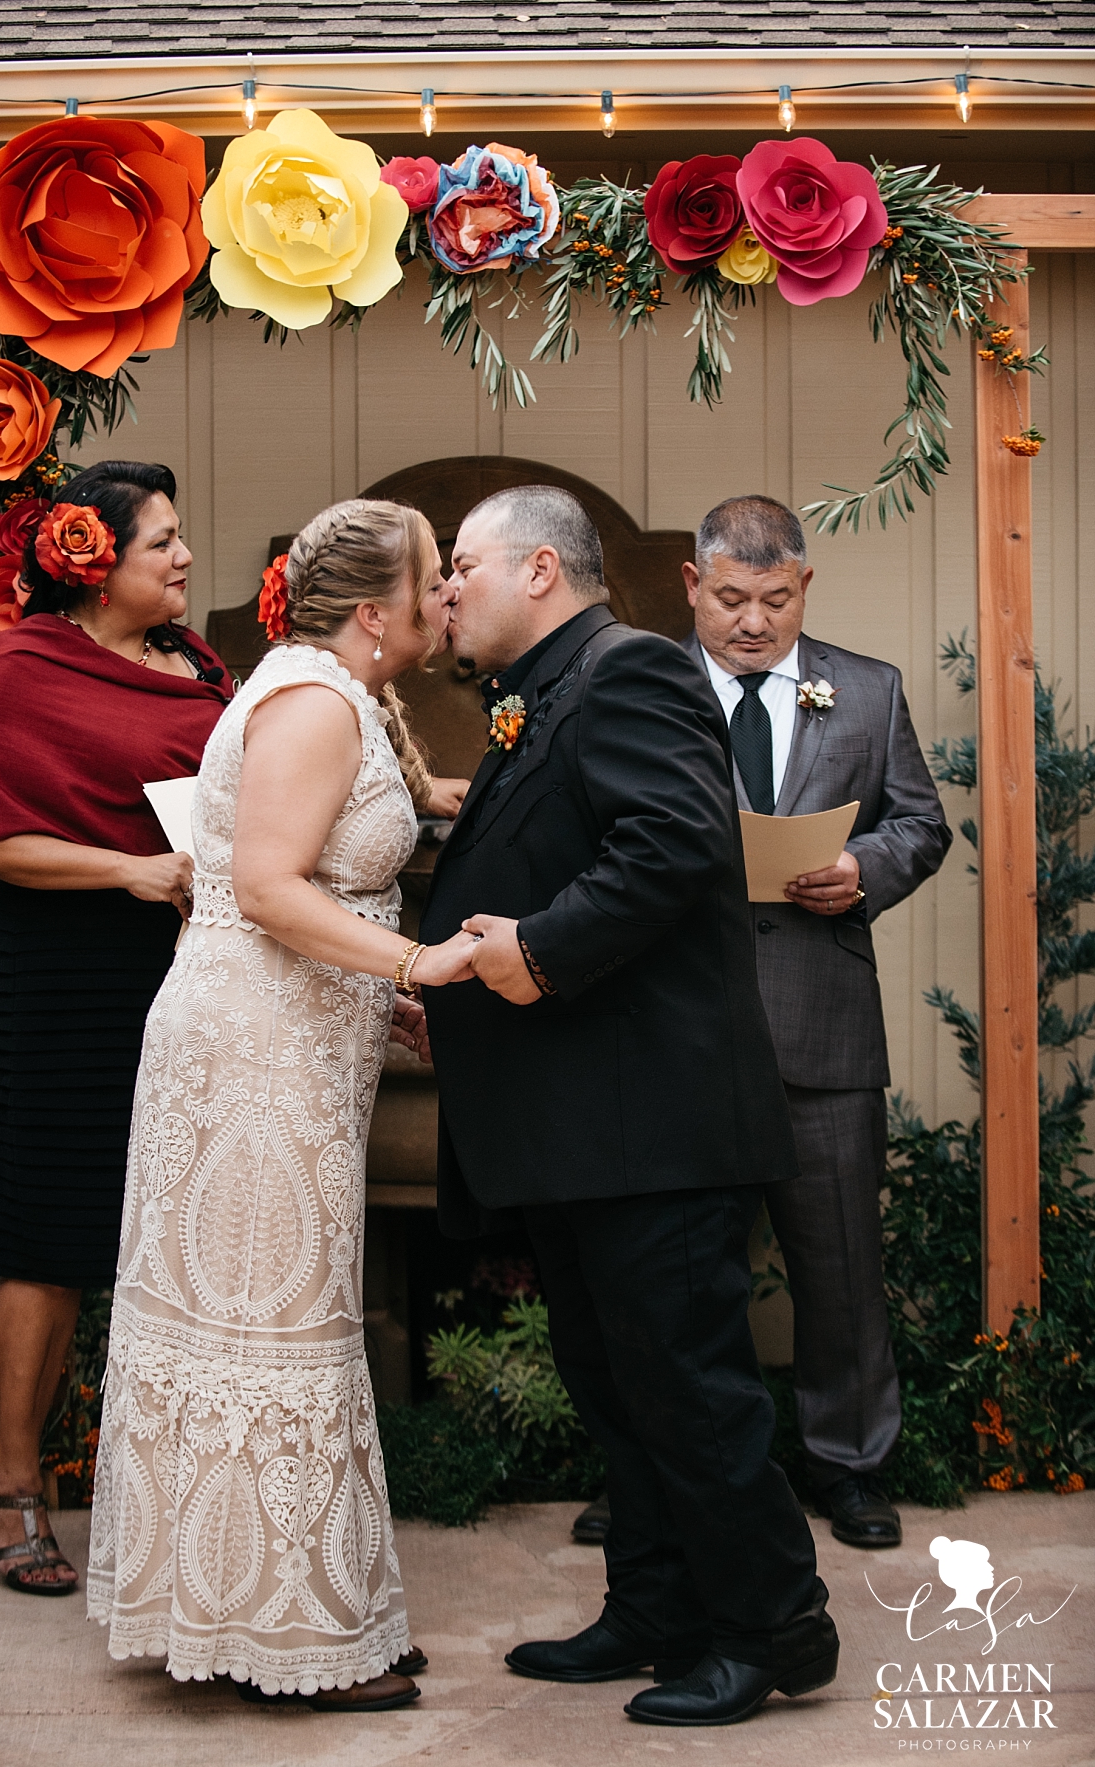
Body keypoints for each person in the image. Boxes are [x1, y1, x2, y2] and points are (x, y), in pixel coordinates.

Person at [418, 485, 837, 1729]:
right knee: (620, 1385)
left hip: (654, 1125)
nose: (450, 591)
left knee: (690, 1390)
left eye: (465, 568)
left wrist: (533, 953)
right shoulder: (542, 693)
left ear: (540, 570)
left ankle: (772, 1631)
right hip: (585, 1130)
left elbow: (672, 847)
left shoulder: (630, 671)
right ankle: (656, 1609)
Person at [88, 499, 475, 1711]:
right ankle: (289, 1637)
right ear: (377, 610)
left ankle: (293, 1606)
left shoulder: (327, 687)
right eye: (432, 580)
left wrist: (378, 1000)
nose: (447, 598)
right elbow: (261, 886)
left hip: (294, 1043)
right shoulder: (311, 702)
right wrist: (415, 966)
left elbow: (313, 893)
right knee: (271, 1326)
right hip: (253, 1054)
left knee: (284, 1319)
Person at [0, 460, 233, 1595]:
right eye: (160, 540)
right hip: (65, 974)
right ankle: (17, 1482)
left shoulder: (198, 665)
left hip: (186, 968)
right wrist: (129, 868)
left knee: (174, 1232)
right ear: (91, 561)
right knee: (47, 1234)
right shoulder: (26, 665)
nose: (182, 557)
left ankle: (154, 1490)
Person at [682, 493, 951, 1548]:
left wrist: (865, 867)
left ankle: (850, 1467)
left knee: (840, 1264)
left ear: (806, 588)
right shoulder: (646, 685)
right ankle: (675, 1473)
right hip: (682, 1023)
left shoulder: (870, 691)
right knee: (679, 1269)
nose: (755, 623)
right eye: (734, 600)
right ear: (693, 586)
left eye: (777, 601)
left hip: (826, 1024)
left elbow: (920, 822)